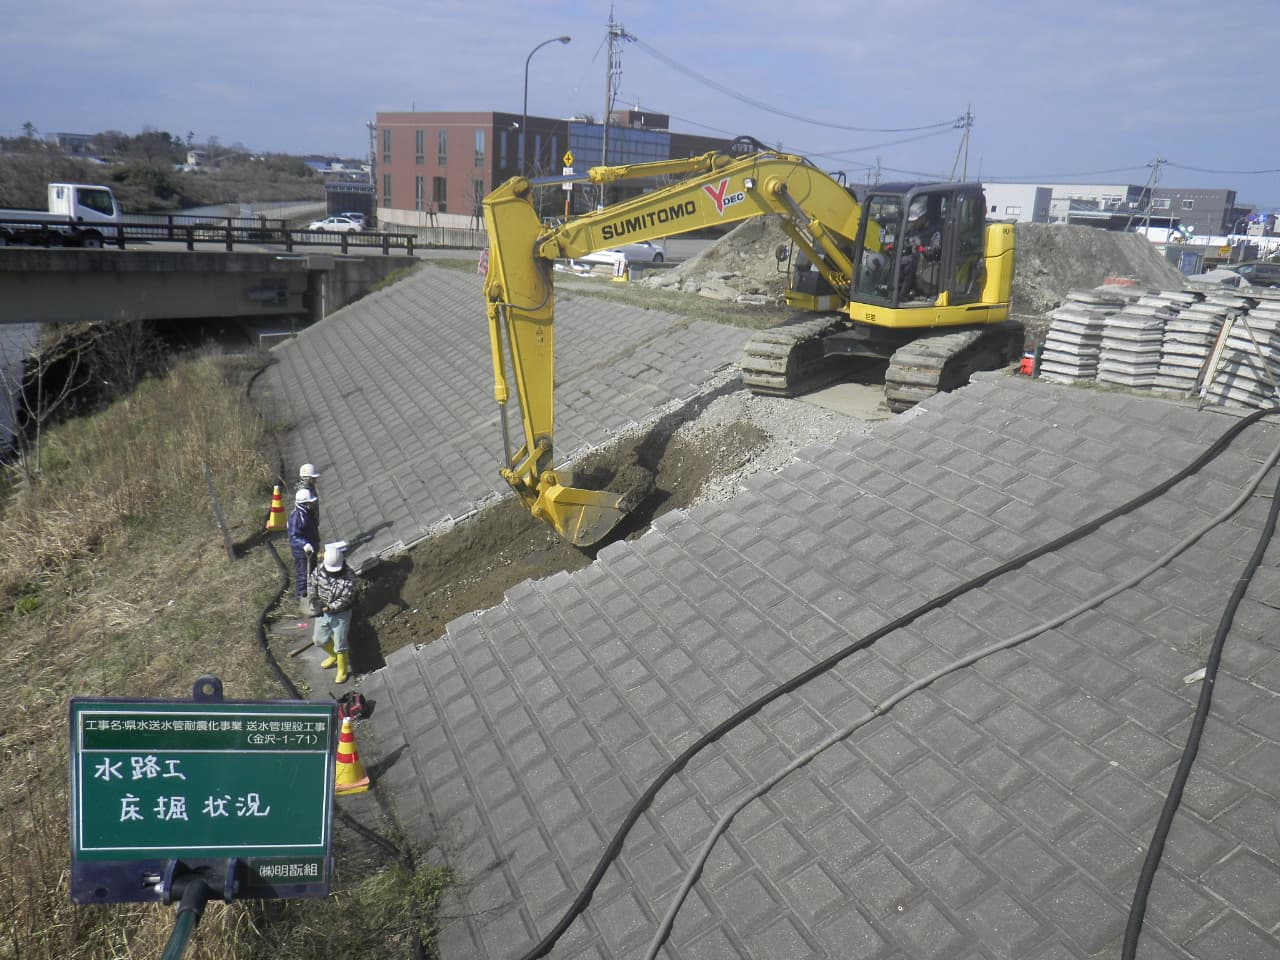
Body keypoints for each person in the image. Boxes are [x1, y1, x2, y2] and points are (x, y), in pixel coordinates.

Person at [308, 542, 358, 684]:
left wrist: (330, 608)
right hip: (323, 611)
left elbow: (346, 598)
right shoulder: (319, 570)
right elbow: (311, 584)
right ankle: (334, 655)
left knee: (340, 642)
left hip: (341, 614)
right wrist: (313, 598)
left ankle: (342, 668)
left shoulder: (350, 577)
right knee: (319, 640)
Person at [287, 487, 320, 616]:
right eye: (310, 502)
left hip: (311, 549)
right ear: (304, 503)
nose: (312, 504)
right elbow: (294, 536)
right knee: (303, 574)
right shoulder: (297, 517)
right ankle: (303, 598)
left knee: (312, 572)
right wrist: (304, 544)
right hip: (302, 553)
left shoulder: (307, 513)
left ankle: (312, 595)